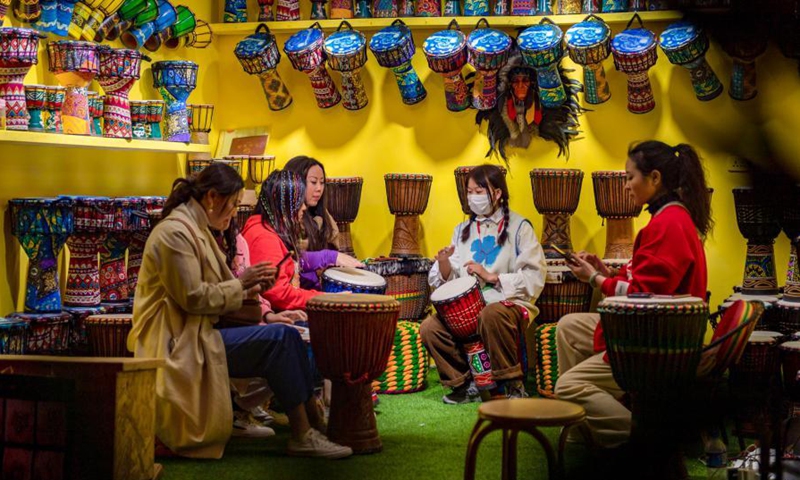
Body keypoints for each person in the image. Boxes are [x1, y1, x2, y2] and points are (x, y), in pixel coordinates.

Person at [128, 163, 351, 459]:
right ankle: (304, 434)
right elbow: (194, 299)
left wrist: (254, 287)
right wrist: (243, 284)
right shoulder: (174, 233)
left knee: (287, 336)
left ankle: (314, 423)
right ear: (211, 198)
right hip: (177, 341)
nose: (234, 213)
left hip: (199, 330)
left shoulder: (196, 229)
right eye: (232, 204)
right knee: (280, 340)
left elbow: (218, 292)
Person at [554, 140, 712, 449]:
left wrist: (596, 279)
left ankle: (646, 443)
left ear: (654, 178)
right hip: (655, 330)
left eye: (630, 177)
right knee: (569, 328)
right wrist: (604, 270)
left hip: (656, 344)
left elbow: (642, 298)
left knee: (568, 386)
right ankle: (585, 431)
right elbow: (645, 282)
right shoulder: (667, 219)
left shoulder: (668, 225)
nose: (626, 186)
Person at [420, 164, 547, 403]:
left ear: (497, 193)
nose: (472, 197)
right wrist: (445, 262)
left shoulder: (519, 227)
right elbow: (448, 279)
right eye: (469, 192)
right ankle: (465, 384)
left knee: (490, 314)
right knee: (430, 328)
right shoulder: (462, 230)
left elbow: (535, 275)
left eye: (479, 191)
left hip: (508, 304)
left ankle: (512, 384)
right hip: (469, 308)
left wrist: (493, 277)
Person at [242, 169, 327, 313]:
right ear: (285, 205)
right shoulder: (264, 238)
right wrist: (325, 299)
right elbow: (280, 295)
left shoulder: (265, 228)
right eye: (299, 202)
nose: (304, 207)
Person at [283, 155, 363, 290]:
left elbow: (333, 247)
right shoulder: (286, 218)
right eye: (313, 182)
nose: (319, 188)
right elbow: (290, 262)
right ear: (296, 183)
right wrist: (325, 259)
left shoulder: (323, 215)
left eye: (322, 182)